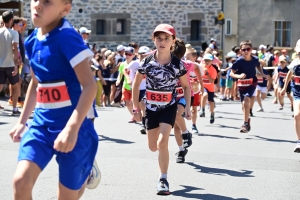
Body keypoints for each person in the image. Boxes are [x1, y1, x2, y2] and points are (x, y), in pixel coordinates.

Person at [8, 0, 100, 199]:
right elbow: (36, 82)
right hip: (41, 125)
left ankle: (86, 169)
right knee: (20, 182)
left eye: (48, 2)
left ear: (65, 9)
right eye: (35, 0)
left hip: (74, 128)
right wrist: (21, 122)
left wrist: (71, 129)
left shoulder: (68, 38)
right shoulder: (32, 40)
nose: (38, 5)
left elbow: (90, 86)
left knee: (67, 196)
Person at [132, 24, 191, 195]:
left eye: (166, 39)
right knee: (152, 147)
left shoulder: (177, 64)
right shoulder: (147, 61)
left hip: (169, 107)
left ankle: (163, 179)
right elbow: (136, 84)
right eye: (159, 38)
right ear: (154, 40)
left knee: (162, 141)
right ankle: (162, 157)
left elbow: (186, 87)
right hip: (150, 108)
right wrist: (136, 107)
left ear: (173, 41)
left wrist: (187, 106)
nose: (162, 42)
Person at [230, 40, 267, 133]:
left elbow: (258, 65)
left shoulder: (255, 59)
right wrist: (239, 76)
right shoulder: (238, 61)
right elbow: (231, 73)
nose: (246, 51)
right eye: (244, 49)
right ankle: (247, 119)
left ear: (251, 50)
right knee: (243, 104)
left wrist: (262, 73)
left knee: (247, 100)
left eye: (248, 49)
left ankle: (245, 123)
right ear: (241, 51)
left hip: (252, 83)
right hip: (242, 84)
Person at [280, 39, 300, 152]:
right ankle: (299, 141)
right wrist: (284, 87)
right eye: (299, 53)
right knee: (297, 115)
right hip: (297, 93)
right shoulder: (295, 62)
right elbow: (289, 73)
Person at [126, 46, 151, 134]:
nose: (142, 57)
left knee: (143, 105)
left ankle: (145, 125)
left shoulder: (150, 64)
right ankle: (143, 121)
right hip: (136, 88)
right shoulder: (134, 63)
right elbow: (125, 70)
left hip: (146, 88)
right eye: (141, 55)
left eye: (144, 55)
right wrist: (128, 78)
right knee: (137, 105)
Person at [0, 11, 20, 114]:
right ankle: (15, 109)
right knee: (15, 86)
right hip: (10, 64)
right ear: (11, 20)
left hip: (0, 64)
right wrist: (16, 64)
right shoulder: (14, 33)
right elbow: (14, 48)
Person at [117, 46, 136, 122]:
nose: (127, 56)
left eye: (129, 54)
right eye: (126, 54)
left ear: (133, 55)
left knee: (132, 102)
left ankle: (136, 115)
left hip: (134, 86)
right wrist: (118, 80)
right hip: (125, 86)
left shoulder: (136, 64)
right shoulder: (122, 64)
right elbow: (120, 74)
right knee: (127, 103)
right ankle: (133, 116)